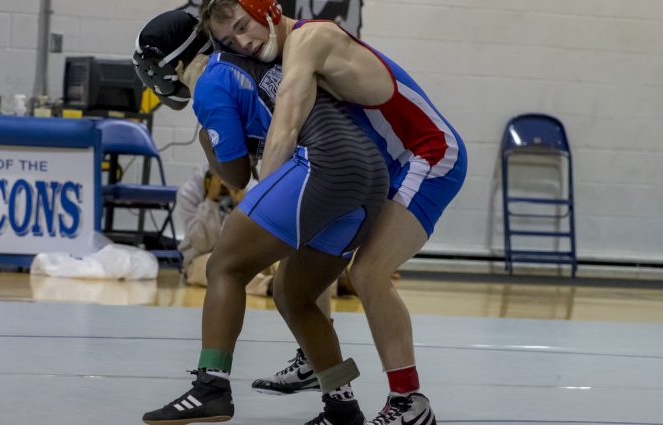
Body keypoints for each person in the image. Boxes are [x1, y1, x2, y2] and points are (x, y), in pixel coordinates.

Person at [199, 1, 468, 424]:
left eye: (243, 26)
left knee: (368, 273)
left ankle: (410, 402)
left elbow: (285, 127)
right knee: (310, 246)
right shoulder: (286, 54)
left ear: (267, 9)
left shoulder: (311, 39)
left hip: (428, 154)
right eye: (231, 41)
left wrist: (257, 210)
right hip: (386, 163)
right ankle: (312, 358)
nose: (245, 43)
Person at [133, 10, 389, 424]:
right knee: (293, 294)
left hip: (324, 164)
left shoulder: (213, 80)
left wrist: (205, 138)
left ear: (176, 65)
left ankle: (211, 388)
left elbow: (234, 175)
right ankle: (342, 407)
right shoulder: (259, 60)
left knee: (225, 266)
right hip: (369, 175)